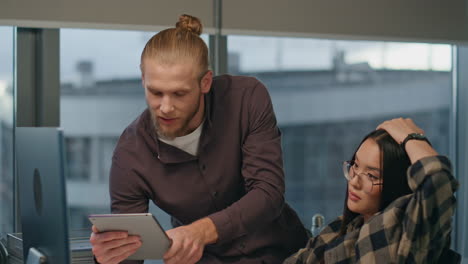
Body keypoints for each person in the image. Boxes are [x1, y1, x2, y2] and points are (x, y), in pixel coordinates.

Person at [89, 14, 309, 264]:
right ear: (143, 80)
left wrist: (198, 232)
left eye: (179, 94)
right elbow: (131, 253)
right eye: (155, 92)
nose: (166, 107)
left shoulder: (246, 98)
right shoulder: (130, 154)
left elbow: (268, 193)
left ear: (205, 82)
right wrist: (109, 256)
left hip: (288, 255)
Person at [284, 118, 460, 264]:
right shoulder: (342, 228)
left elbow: (436, 179)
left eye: (371, 176)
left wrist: (412, 138)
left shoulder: (405, 232)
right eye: (356, 166)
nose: (354, 181)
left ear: (397, 183)